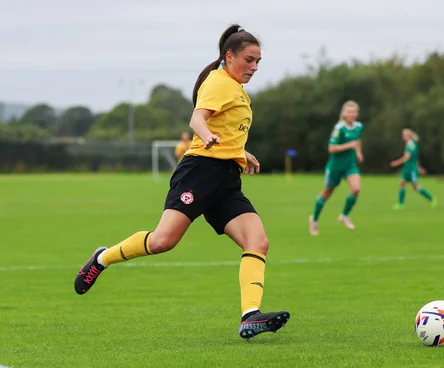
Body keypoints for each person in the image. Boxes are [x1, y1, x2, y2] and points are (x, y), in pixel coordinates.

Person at [74, 24, 290, 340]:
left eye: (258, 61)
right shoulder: (219, 82)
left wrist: (243, 153)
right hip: (200, 172)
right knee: (163, 241)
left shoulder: (238, 90)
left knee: (257, 242)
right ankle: (101, 258)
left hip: (226, 179)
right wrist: (205, 135)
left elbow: (226, 130)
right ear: (229, 57)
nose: (254, 67)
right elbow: (197, 119)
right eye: (249, 60)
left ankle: (250, 316)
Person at [309, 100, 363, 236]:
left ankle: (344, 215)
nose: (352, 114)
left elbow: (357, 141)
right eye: (349, 111)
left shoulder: (358, 127)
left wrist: (358, 152)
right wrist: (349, 145)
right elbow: (331, 148)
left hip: (350, 165)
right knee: (326, 194)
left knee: (356, 189)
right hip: (335, 167)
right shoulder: (339, 129)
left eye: (354, 111)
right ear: (344, 113)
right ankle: (314, 219)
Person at [389, 128, 437, 209]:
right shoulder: (410, 144)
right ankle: (400, 204)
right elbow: (415, 158)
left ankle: (432, 199)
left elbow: (407, 157)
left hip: (411, 169)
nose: (402, 137)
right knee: (402, 184)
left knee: (415, 187)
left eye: (404, 135)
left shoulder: (410, 144)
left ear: (408, 136)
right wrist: (419, 167)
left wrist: (396, 163)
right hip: (407, 168)